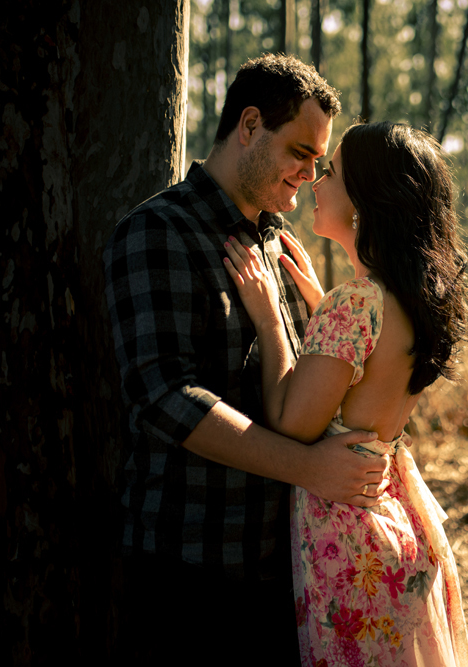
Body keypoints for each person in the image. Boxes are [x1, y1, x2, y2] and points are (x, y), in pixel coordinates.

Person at [103, 55, 388, 663]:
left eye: (319, 162)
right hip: (189, 568)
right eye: (302, 153)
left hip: (278, 566)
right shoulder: (156, 233)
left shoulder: (277, 242)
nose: (311, 176)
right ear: (250, 125)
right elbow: (165, 399)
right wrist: (309, 468)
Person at [222, 121, 468, 665]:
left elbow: (293, 423)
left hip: (349, 538)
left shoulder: (355, 304)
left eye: (331, 171)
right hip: (395, 523)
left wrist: (270, 322)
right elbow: (365, 376)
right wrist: (322, 309)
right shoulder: (406, 300)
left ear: (364, 201)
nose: (314, 179)